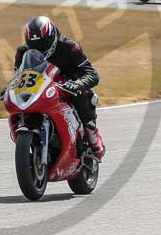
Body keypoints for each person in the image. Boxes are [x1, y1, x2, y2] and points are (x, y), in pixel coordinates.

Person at [12, 15, 105, 161]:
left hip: (67, 86)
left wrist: (77, 84)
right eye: (34, 46)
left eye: (42, 45)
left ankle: (90, 130)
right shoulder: (22, 52)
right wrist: (10, 89)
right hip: (40, 89)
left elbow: (92, 74)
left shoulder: (69, 47)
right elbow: (19, 77)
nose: (39, 49)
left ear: (52, 37)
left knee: (84, 93)